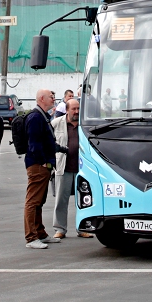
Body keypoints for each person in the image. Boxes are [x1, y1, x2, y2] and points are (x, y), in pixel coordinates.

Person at [23, 89, 67, 249]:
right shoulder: (35, 117)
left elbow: (47, 141)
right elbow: (34, 143)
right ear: (42, 99)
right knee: (33, 201)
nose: (54, 99)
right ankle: (31, 237)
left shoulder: (43, 116)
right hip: (37, 165)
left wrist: (63, 149)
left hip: (43, 164)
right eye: (51, 97)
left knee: (39, 201)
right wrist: (43, 162)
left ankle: (40, 233)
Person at [52, 99, 91, 239]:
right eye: (73, 109)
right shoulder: (56, 123)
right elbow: (48, 143)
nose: (76, 111)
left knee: (84, 200)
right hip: (63, 167)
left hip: (83, 169)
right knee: (61, 201)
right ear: (67, 109)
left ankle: (82, 228)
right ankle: (60, 229)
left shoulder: (85, 124)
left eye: (78, 108)